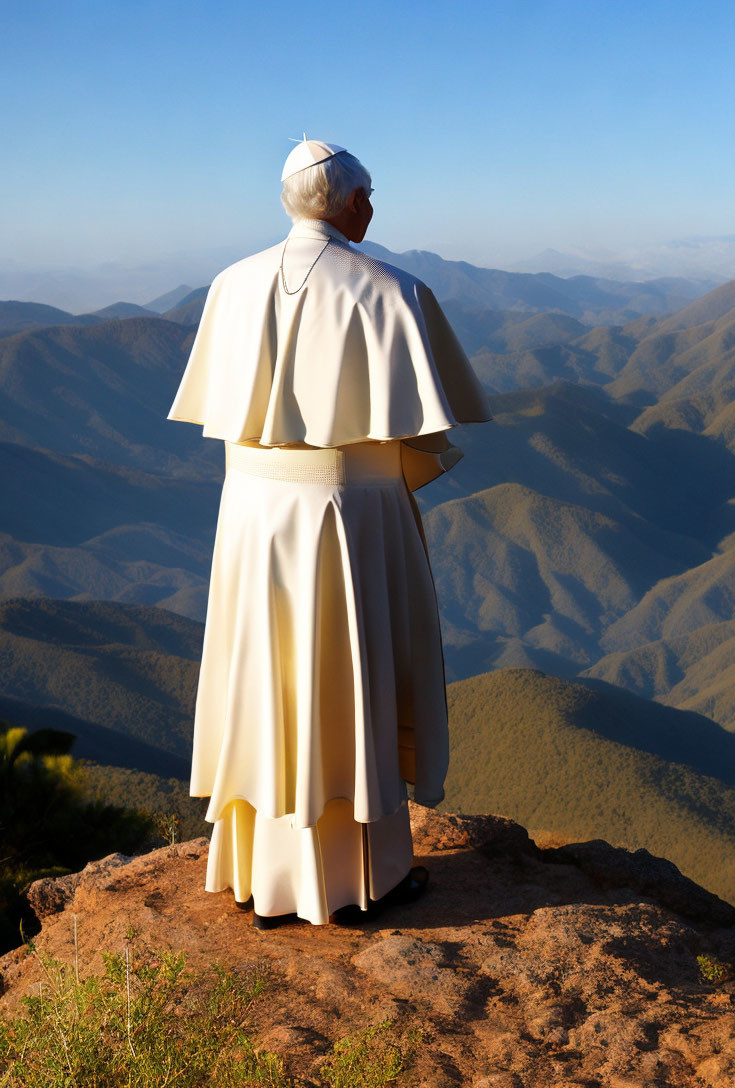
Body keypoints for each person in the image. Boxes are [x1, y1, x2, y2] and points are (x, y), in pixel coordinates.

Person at [166, 137, 492, 928]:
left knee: (266, 678)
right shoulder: (393, 290)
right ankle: (358, 880)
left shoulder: (230, 286)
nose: (370, 207)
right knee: (351, 678)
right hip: (349, 516)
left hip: (249, 516)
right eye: (368, 195)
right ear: (353, 205)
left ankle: (258, 874)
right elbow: (424, 438)